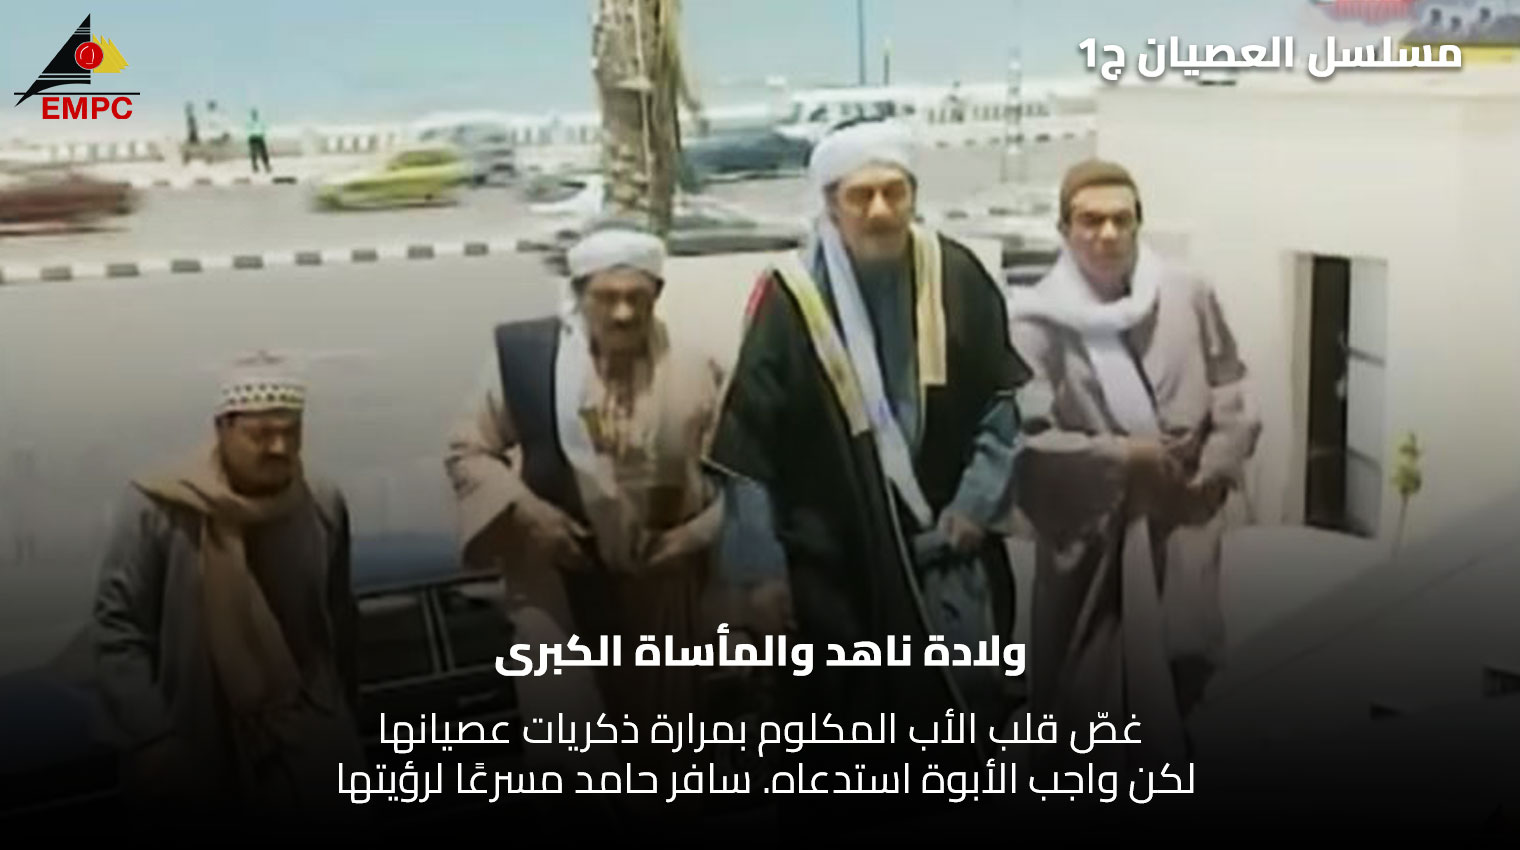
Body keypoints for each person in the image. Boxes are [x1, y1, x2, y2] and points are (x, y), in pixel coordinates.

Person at [704, 118, 1028, 782]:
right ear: (830, 204)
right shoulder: (790, 297)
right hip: (836, 574)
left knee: (963, 742)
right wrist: (760, 572)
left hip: (948, 552)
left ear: (913, 196)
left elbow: (999, 411)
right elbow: (749, 450)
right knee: (848, 756)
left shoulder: (956, 274)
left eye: (893, 192)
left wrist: (977, 503)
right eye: (860, 196)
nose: (879, 210)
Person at [444, 224, 727, 781]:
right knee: (570, 763)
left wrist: (691, 538)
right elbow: (466, 450)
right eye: (606, 297)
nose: (622, 313)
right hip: (557, 590)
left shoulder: (698, 371)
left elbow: (746, 483)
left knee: (664, 768)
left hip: (661, 598)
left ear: (657, 295)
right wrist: (529, 514)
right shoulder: (529, 363)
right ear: (579, 295)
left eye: (636, 298)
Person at [1007, 159, 1261, 780]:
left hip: (1182, 513)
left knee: (1184, 661)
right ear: (1064, 229)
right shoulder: (1034, 322)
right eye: (1090, 221)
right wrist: (1124, 460)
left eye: (1121, 220)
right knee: (1086, 687)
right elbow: (1026, 436)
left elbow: (1230, 383)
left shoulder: (1186, 293)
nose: (1107, 234)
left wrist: (1212, 471)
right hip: (1092, 533)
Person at [91, 350, 365, 824]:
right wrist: (151, 738)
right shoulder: (158, 508)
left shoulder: (321, 503)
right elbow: (119, 629)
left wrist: (343, 717)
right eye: (262, 434)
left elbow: (339, 619)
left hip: (312, 747)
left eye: (291, 432)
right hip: (193, 748)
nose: (279, 447)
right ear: (222, 428)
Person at [247, 108, 271, 174]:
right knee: (255, 153)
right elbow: (247, 130)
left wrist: (263, 133)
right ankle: (256, 166)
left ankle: (265, 166)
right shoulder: (250, 121)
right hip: (254, 138)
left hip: (257, 138)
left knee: (262, 153)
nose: (254, 115)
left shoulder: (258, 121)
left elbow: (264, 128)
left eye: (255, 114)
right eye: (254, 114)